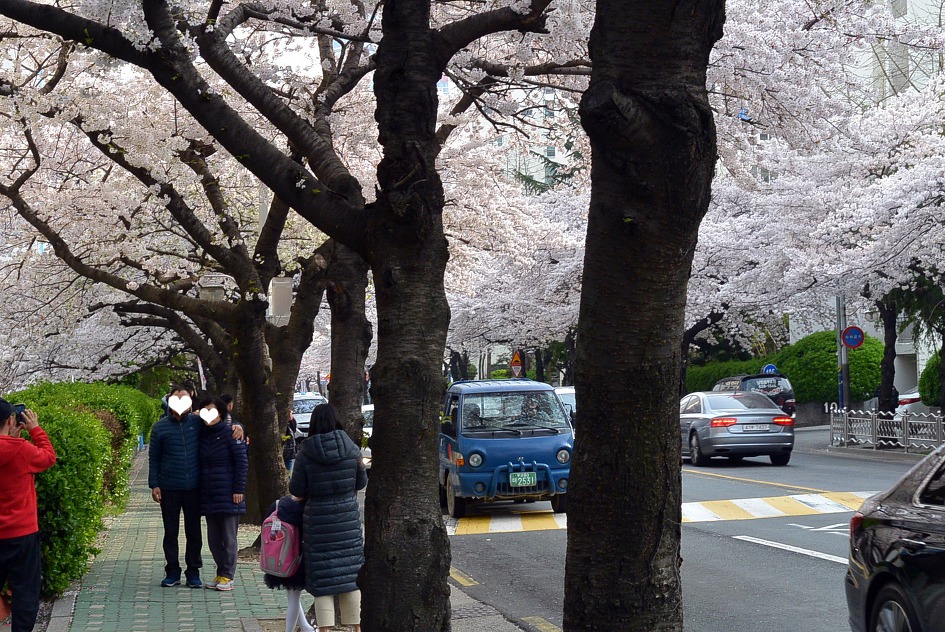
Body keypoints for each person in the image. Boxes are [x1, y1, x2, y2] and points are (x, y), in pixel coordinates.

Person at [148, 385, 243, 588]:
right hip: (169, 487)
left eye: (185, 398)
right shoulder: (160, 427)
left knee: (194, 532)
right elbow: (154, 457)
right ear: (169, 400)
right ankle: (172, 571)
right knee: (170, 532)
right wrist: (154, 484)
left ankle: (193, 572)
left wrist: (237, 426)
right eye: (176, 398)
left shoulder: (198, 422)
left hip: (195, 487)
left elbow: (220, 422)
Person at [290, 403, 367, 632]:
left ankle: (323, 630)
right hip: (347, 522)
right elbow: (361, 482)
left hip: (318, 523)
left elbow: (297, 489)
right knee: (350, 578)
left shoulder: (306, 452)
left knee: (323, 583)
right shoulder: (352, 449)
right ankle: (356, 628)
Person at [0, 398, 57, 632]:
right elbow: (48, 457)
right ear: (11, 419)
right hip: (21, 533)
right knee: (25, 591)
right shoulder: (20, 450)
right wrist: (35, 430)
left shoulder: (15, 447)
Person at [196, 396, 248, 592]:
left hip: (228, 492)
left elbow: (242, 463)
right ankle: (221, 572)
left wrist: (238, 490)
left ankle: (228, 574)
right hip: (208, 493)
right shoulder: (202, 433)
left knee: (228, 536)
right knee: (213, 538)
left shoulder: (232, 434)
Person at [262, 494, 315, 632]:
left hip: (278, 558)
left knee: (291, 595)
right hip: (297, 560)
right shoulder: (307, 510)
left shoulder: (279, 505)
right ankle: (290, 630)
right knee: (294, 598)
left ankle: (305, 627)